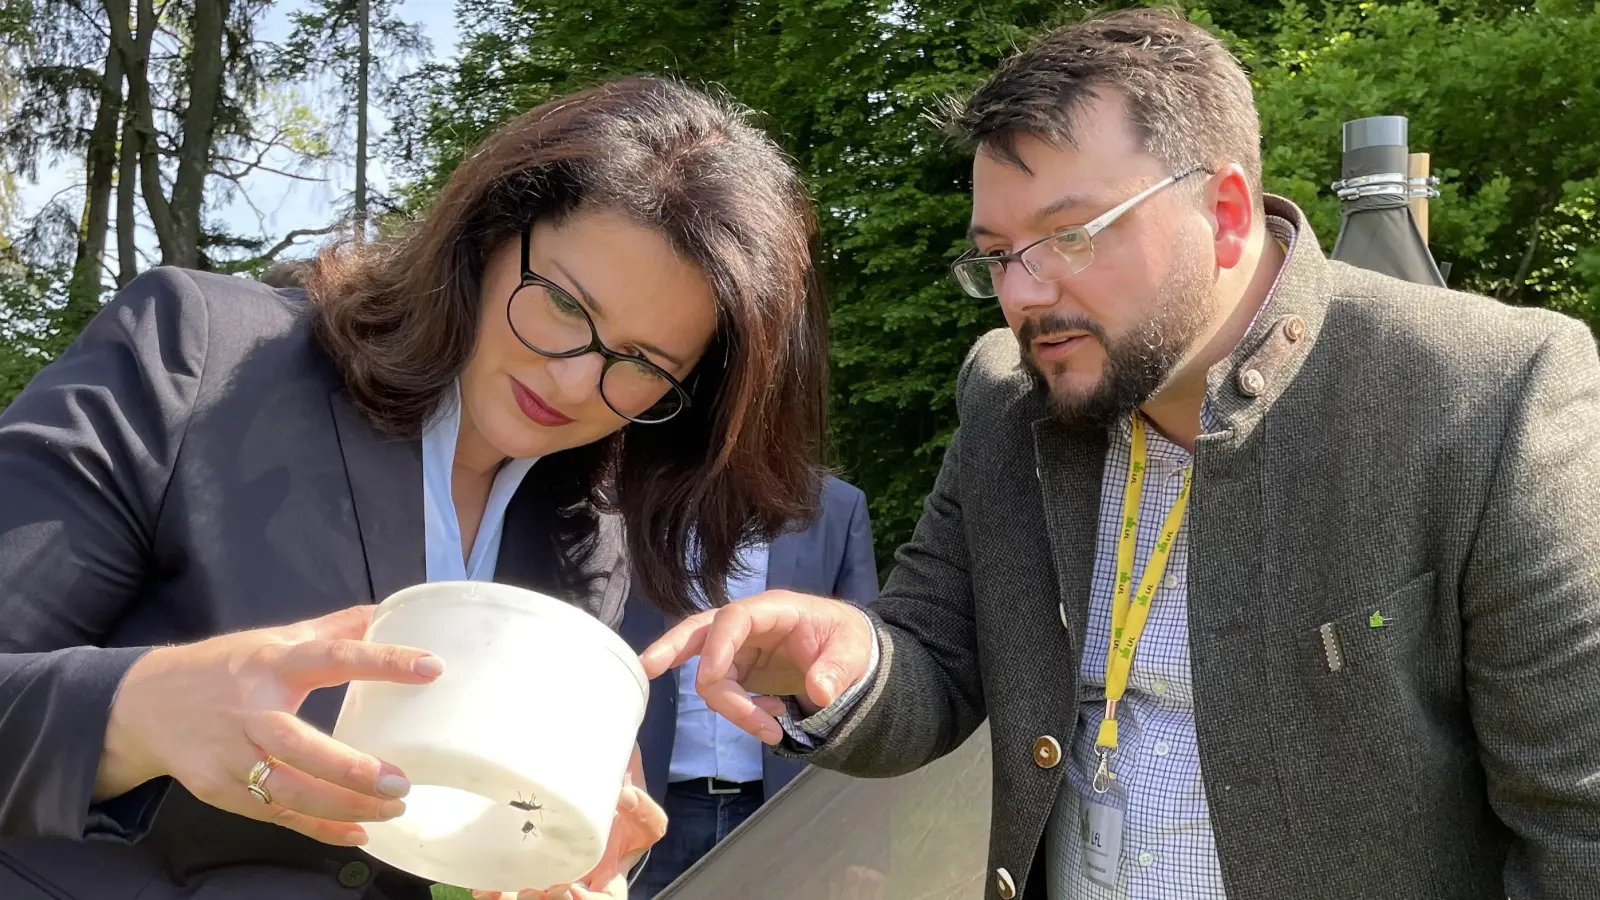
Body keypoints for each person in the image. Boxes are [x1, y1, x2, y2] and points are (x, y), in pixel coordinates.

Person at [642, 9, 1600, 900]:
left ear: (1225, 211)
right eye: (997, 253)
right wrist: (849, 661)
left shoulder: (1490, 394)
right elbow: (933, 662)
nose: (1024, 292)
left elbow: (1578, 826)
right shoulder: (1006, 394)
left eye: (1071, 235)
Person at [0, 75, 830, 900]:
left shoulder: (589, 539)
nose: (577, 383)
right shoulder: (200, 355)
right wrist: (140, 712)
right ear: (492, 234)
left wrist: (550, 863)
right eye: (566, 307)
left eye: (644, 363)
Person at [620, 473, 878, 898]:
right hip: (648, 811)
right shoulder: (629, 497)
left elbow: (863, 685)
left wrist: (864, 844)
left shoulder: (837, 508)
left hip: (785, 812)